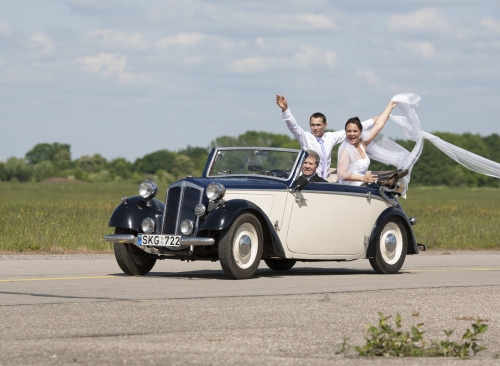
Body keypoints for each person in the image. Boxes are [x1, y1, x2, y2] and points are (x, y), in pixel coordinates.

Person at [276, 94, 378, 180]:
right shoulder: (305, 137)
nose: (315, 128)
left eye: (318, 125)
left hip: (323, 181)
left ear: (325, 125)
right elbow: (293, 127)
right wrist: (285, 109)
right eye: (312, 125)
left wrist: (378, 119)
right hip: (306, 180)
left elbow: (356, 127)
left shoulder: (330, 137)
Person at [337, 100, 398, 186]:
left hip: (363, 184)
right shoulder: (346, 150)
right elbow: (341, 174)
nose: (351, 134)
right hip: (351, 187)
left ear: (360, 132)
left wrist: (390, 107)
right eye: (348, 131)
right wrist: (363, 178)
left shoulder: (363, 144)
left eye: (355, 131)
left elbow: (379, 125)